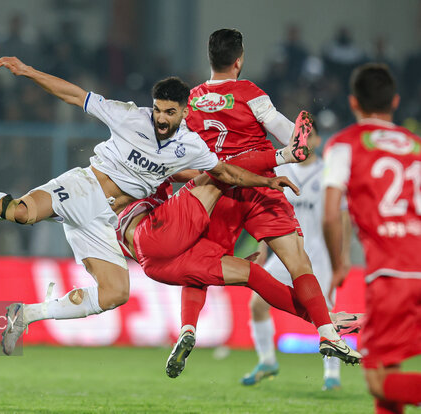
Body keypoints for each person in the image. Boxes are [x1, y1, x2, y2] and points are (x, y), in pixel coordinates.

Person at [0, 56, 299, 355]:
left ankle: (26, 314)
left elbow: (226, 174)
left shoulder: (191, 147)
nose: (160, 118)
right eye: (157, 109)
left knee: (115, 294)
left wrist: (269, 177)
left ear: (184, 113)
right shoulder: (129, 116)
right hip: (84, 188)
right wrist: (28, 71)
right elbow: (74, 95)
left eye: (169, 112)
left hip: (108, 223)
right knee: (22, 213)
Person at [169, 28, 361, 371]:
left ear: (210, 59)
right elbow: (291, 135)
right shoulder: (249, 93)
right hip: (259, 187)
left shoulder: (193, 100)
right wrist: (298, 135)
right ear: (239, 61)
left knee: (198, 268)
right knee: (298, 262)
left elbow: (180, 155)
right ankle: (328, 332)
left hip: (215, 191)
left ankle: (187, 328)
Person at [114, 145, 362, 379]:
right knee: (218, 173)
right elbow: (211, 171)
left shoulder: (125, 168)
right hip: (155, 233)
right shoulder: (145, 157)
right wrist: (265, 177)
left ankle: (188, 329)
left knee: (242, 273)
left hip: (155, 263)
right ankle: (284, 153)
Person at [323, 63, 421, 413]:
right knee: (390, 369)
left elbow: (331, 211)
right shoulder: (416, 145)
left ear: (353, 103)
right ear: (394, 102)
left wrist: (338, 264)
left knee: (377, 380)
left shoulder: (344, 144)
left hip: (393, 273)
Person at [240, 124, 358, 390]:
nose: (303, 140)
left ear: (317, 138)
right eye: (298, 137)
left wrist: (344, 255)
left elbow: (342, 216)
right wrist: (262, 248)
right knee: (257, 303)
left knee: (326, 313)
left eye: (308, 135)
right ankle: (267, 360)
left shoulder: (329, 171)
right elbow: (266, 212)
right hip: (287, 250)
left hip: (320, 253)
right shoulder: (281, 169)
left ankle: (332, 375)